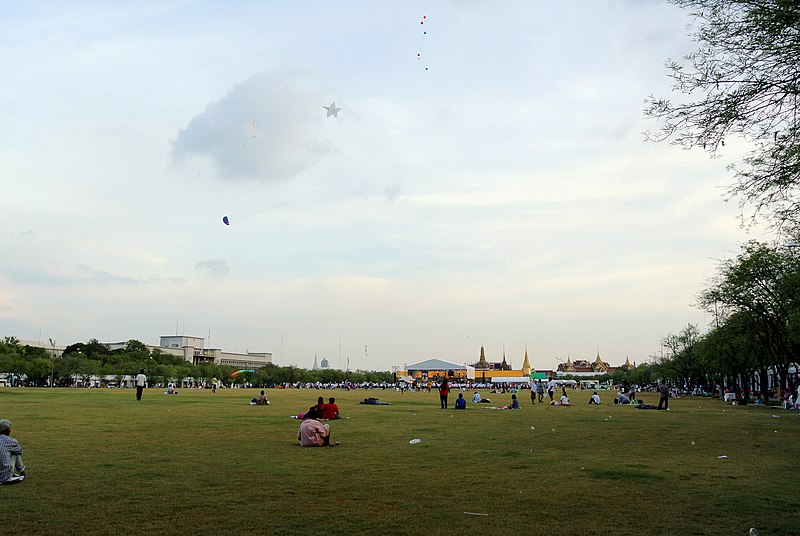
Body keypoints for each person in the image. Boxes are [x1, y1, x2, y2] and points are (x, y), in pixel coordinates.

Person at [0, 419, 25, 485]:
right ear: (9, 430)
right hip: (4, 477)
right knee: (16, 453)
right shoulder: (11, 441)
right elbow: (20, 451)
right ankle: (22, 472)